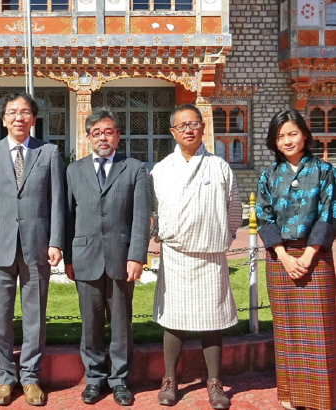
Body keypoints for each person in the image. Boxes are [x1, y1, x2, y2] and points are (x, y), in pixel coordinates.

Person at [0, 92, 65, 406]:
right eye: (12, 112)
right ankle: (5, 378)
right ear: (3, 119)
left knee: (35, 316)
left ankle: (31, 377)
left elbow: (57, 203)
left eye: (25, 112)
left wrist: (56, 241)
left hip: (37, 244)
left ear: (33, 119)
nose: (18, 118)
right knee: (0, 316)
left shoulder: (49, 153)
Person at [150, 103, 242, 410]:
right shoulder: (161, 169)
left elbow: (234, 210)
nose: (189, 129)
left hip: (211, 254)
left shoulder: (220, 167)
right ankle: (169, 380)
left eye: (194, 124)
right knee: (174, 320)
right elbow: (155, 212)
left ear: (203, 127)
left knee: (211, 320)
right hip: (176, 254)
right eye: (182, 125)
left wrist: (224, 238)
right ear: (173, 132)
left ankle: (215, 382)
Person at [64, 107, 150, 406]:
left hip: (121, 257)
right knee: (90, 325)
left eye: (108, 132)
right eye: (97, 132)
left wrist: (137, 256)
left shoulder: (135, 169)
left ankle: (120, 380)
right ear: (88, 137)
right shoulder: (74, 170)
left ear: (118, 136)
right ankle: (95, 379)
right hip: (85, 256)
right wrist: (67, 258)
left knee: (121, 324)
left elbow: (141, 216)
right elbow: (67, 217)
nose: (103, 137)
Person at [256, 109, 336, 410]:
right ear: (274, 142)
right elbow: (264, 216)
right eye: (280, 136)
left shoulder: (325, 171)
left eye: (292, 133)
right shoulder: (268, 176)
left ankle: (322, 399)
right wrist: (282, 256)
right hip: (280, 260)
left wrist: (308, 253)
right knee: (287, 330)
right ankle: (291, 396)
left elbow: (329, 214)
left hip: (316, 259)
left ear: (305, 134)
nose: (287, 140)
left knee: (320, 331)